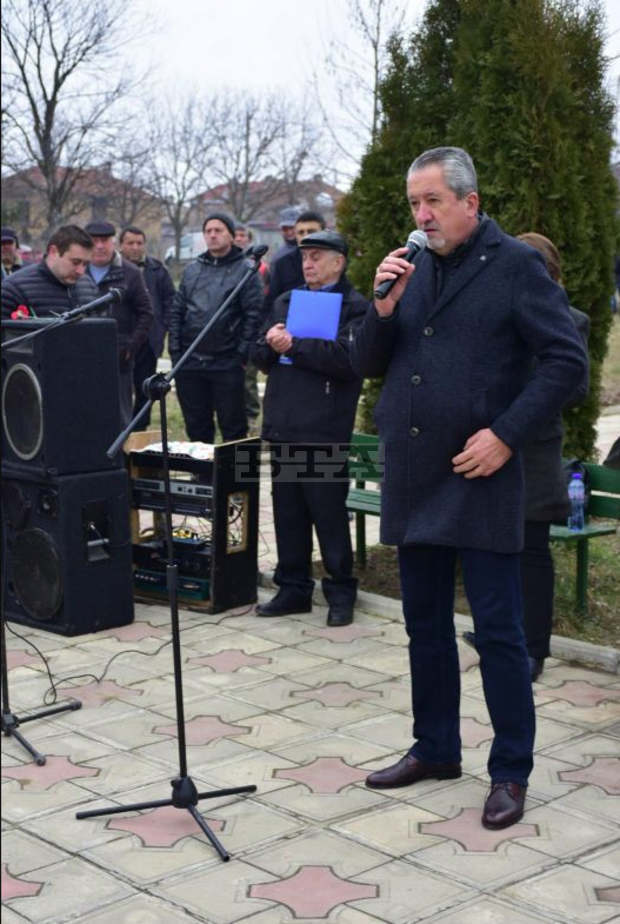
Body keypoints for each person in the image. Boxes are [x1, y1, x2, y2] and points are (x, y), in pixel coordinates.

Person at [351, 147, 587, 829]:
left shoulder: (514, 265)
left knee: (499, 633)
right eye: (414, 204)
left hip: (480, 478)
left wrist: (507, 434)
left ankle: (510, 770)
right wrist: (382, 305)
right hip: (416, 477)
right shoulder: (412, 265)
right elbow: (370, 362)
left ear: (470, 202)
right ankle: (436, 748)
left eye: (433, 203)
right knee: (422, 624)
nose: (421, 217)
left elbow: (566, 361)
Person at [462, 232, 589, 681]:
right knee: (489, 544)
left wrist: (528, 393)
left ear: (548, 271)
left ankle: (535, 648)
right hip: (486, 441)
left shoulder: (571, 319)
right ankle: (494, 631)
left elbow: (575, 387)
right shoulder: (491, 317)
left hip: (533, 446)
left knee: (530, 549)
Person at [252, 230, 368, 627]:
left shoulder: (355, 306)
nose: (309, 263)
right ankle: (293, 588)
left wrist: (293, 345)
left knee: (328, 514)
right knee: (288, 514)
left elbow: (349, 360)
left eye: (318, 256)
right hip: (285, 423)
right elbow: (261, 356)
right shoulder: (286, 299)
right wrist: (269, 343)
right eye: (305, 257)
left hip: (323, 427)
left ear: (339, 261)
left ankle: (339, 591)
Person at [168, 212, 263, 443]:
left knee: (233, 428)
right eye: (208, 231)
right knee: (197, 428)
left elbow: (254, 315)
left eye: (218, 230)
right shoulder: (192, 270)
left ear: (231, 236)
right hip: (190, 363)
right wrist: (175, 351)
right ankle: (202, 476)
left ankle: (235, 479)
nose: (212, 235)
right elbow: (177, 311)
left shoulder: (246, 271)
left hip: (227, 363)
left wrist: (241, 354)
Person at [84, 221, 153, 428]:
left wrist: (131, 346)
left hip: (118, 357)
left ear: (113, 242)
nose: (99, 246)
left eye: (104, 240)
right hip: (81, 353)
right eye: (94, 241)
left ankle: (120, 458)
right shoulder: (78, 269)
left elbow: (147, 313)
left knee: (119, 414)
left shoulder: (130, 273)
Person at [119, 225, 176, 429]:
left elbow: (170, 300)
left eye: (139, 243)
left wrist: (162, 328)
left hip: (149, 341)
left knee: (145, 388)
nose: (135, 247)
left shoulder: (157, 270)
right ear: (121, 245)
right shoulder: (115, 270)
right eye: (130, 243)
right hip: (122, 340)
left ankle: (139, 429)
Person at [1, 224, 97, 317]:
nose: (80, 271)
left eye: (85, 264)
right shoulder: (13, 290)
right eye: (75, 262)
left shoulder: (88, 286)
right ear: (53, 252)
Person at [263, 210, 326, 314]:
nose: (306, 236)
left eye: (311, 232)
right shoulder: (281, 263)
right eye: (301, 232)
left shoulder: (337, 260)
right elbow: (271, 303)